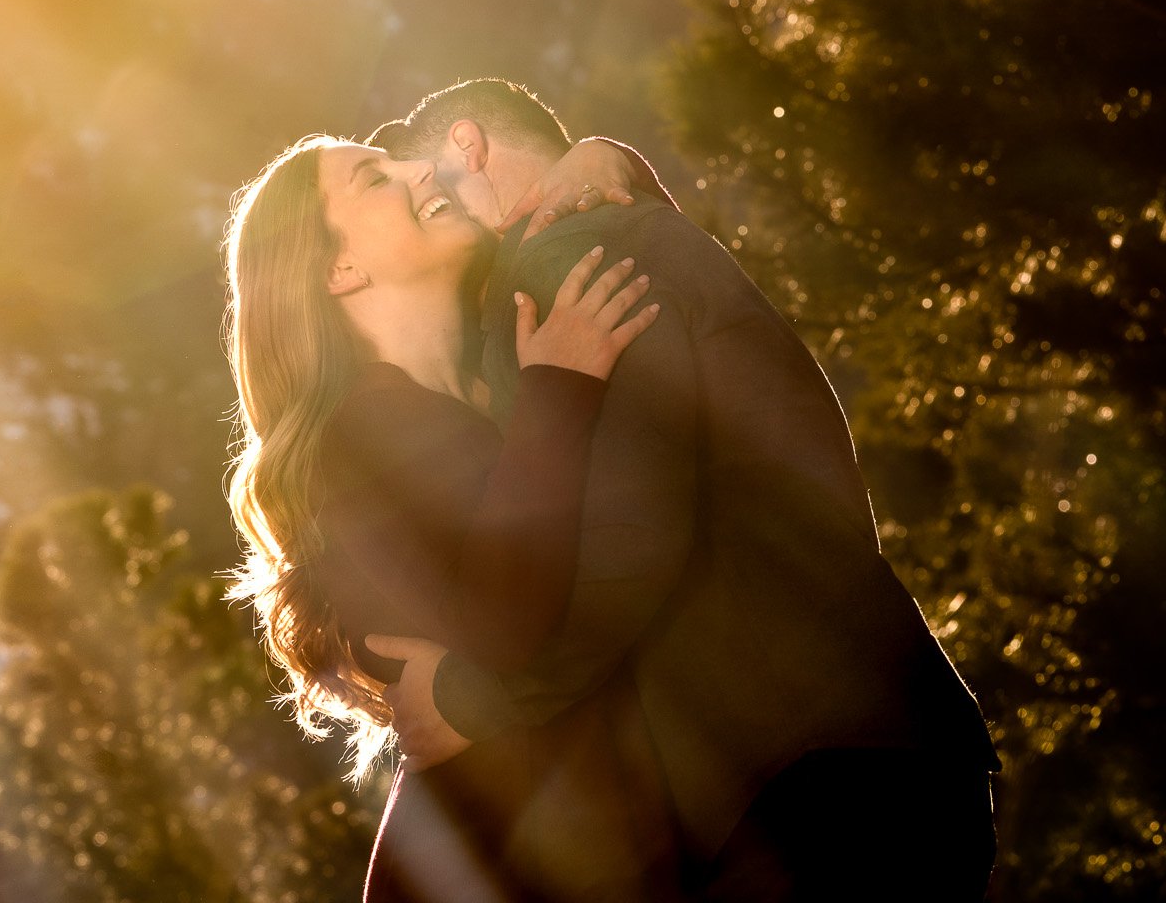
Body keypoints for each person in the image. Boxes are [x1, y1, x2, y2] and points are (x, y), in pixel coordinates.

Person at [366, 79, 998, 902]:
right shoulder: (625, 234)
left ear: (468, 147)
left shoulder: (567, 256)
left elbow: (627, 536)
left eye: (425, 188)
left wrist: (471, 697)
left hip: (807, 780)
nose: (426, 206)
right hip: (849, 757)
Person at [223, 133, 679, 902]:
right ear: (341, 269)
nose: (419, 167)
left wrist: (608, 156)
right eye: (374, 177)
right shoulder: (365, 437)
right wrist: (560, 390)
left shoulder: (508, 364)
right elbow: (506, 622)